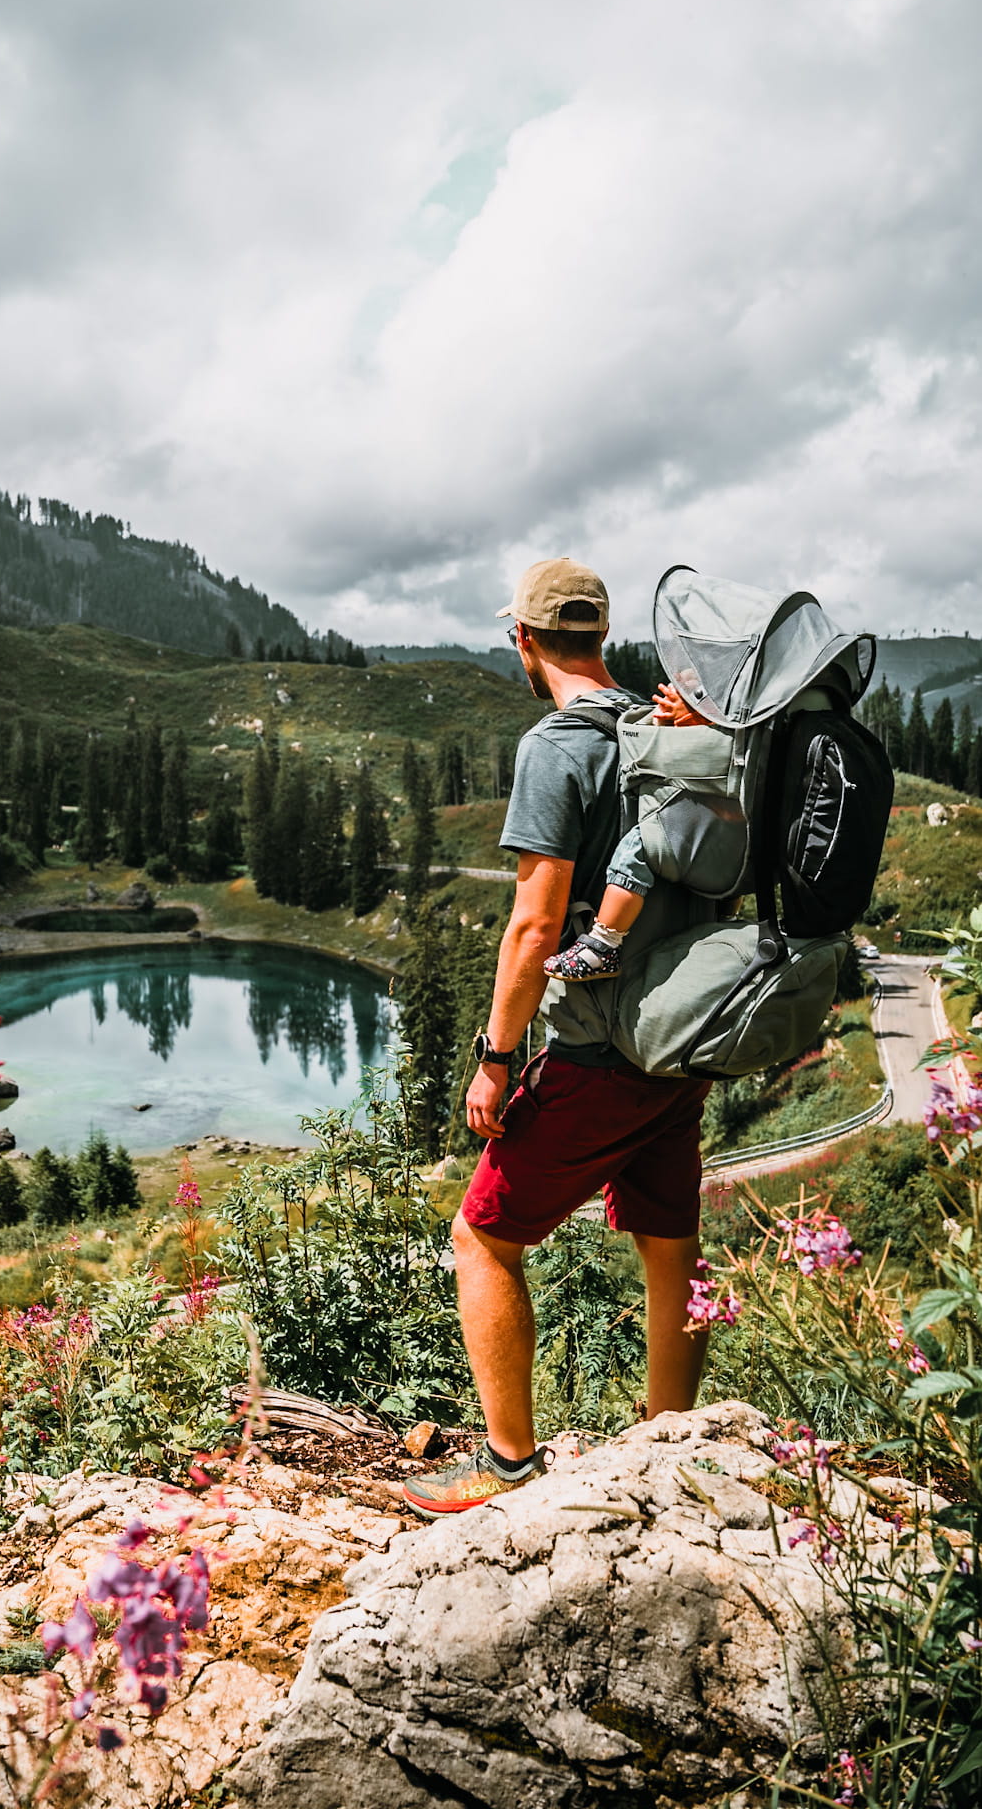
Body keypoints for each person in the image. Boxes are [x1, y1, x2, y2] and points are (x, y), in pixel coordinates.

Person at [402, 558, 712, 1519]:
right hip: (687, 1032)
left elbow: (535, 927)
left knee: (483, 1236)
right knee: (671, 1243)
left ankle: (504, 1466)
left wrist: (494, 1059)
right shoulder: (672, 727)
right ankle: (672, 1449)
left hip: (594, 1047)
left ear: (525, 643)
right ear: (603, 639)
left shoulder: (558, 746)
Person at [541, 679, 706, 983]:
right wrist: (668, 720)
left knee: (634, 851)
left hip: (699, 817)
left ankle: (604, 942)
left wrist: (696, 718)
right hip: (733, 829)